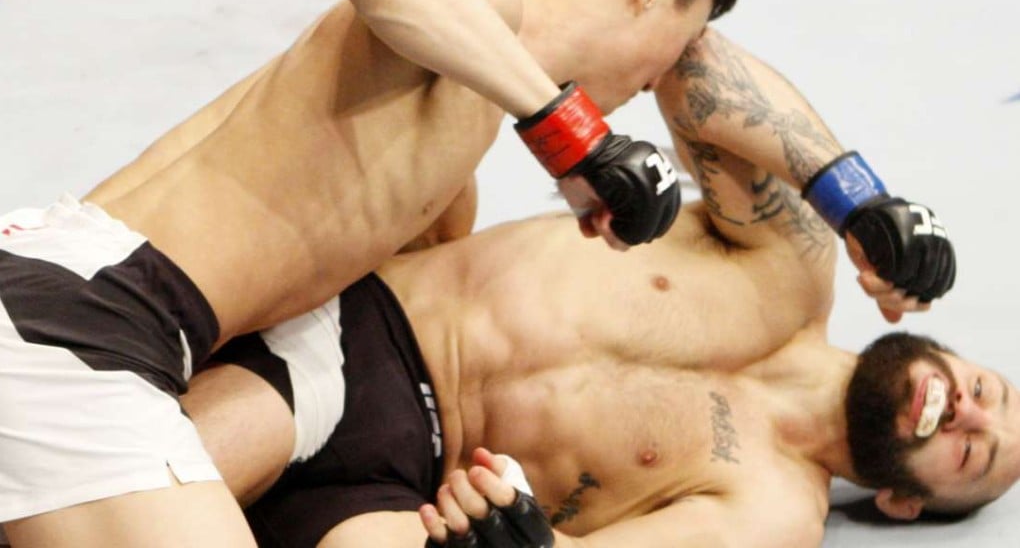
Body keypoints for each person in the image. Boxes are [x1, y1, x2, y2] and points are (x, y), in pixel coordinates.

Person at [0, 0, 747, 546]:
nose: (652, 84)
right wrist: (573, 136)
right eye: (676, 44)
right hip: (92, 323)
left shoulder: (457, 138)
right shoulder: (483, 3)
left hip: (88, 309)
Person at [178, 28, 964, 548]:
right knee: (166, 471)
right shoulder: (791, 261)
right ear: (948, 354)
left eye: (974, 453)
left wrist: (522, 537)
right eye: (988, 392)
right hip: (374, 333)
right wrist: (858, 199)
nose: (968, 412)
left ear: (907, 502)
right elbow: (686, 56)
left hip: (409, 501)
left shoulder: (779, 513)